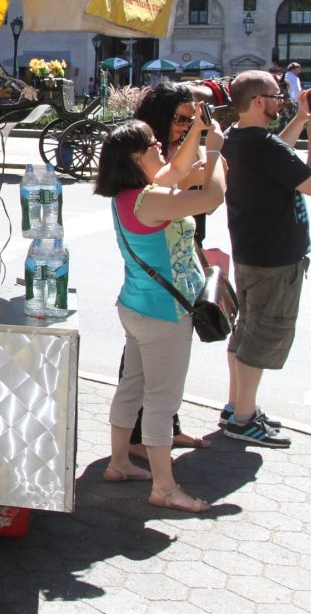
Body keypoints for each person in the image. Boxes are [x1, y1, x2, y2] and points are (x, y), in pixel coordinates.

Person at [96, 119, 226, 513]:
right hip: (163, 315)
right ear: (136, 157)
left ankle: (119, 463)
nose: (160, 147)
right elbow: (211, 198)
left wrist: (197, 133)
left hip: (136, 308)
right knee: (161, 402)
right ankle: (164, 488)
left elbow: (173, 171)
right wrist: (216, 150)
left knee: (132, 387)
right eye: (153, 144)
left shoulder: (132, 195)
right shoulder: (150, 200)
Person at [218, 72, 311, 448]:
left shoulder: (238, 138)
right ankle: (243, 418)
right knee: (262, 336)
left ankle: (237, 407)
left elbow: (276, 154)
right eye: (276, 96)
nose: (281, 101)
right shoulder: (261, 144)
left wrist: (299, 119)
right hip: (276, 259)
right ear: (258, 100)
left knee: (246, 331)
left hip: (252, 251)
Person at [125, 82, 220, 454]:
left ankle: (159, 429)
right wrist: (207, 164)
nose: (185, 125)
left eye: (190, 118)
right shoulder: (145, 149)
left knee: (157, 362)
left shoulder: (172, 146)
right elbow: (187, 188)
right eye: (181, 118)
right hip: (157, 263)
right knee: (149, 362)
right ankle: (141, 439)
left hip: (180, 245)